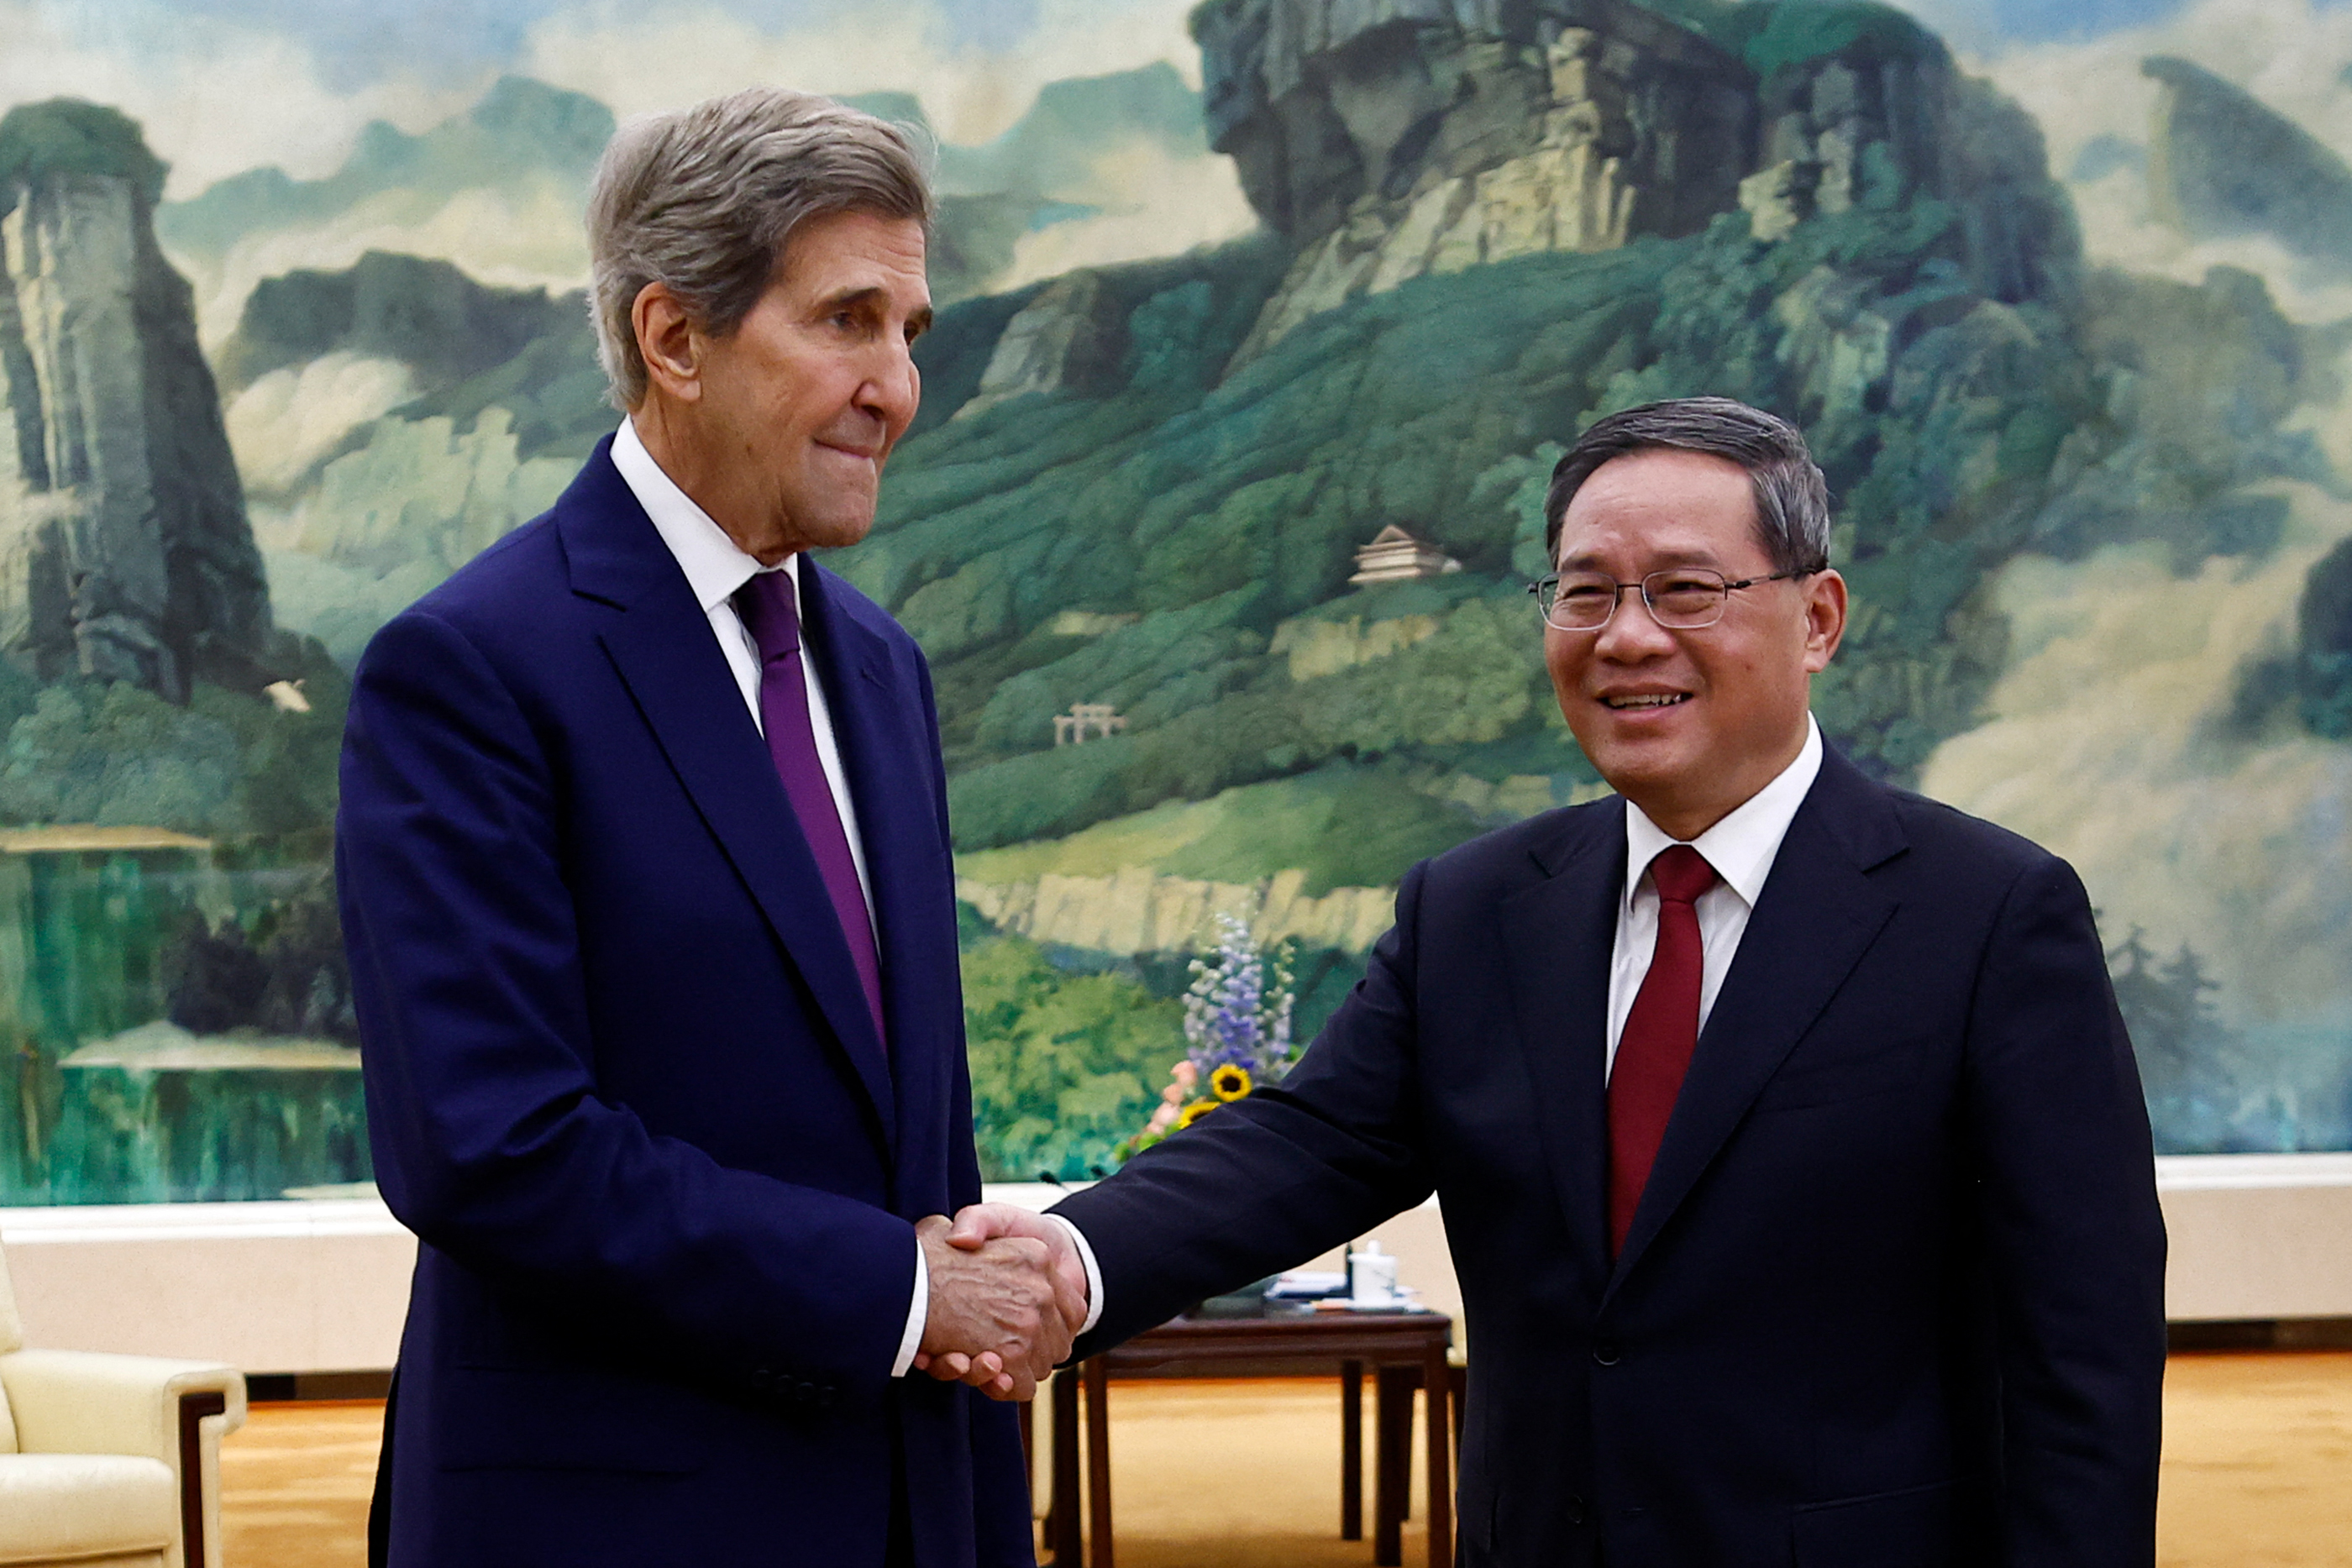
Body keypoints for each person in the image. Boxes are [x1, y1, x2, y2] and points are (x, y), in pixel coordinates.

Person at [947, 398, 2168, 1566]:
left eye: (1686, 589)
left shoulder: (1985, 916)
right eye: (1586, 592)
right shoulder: (1479, 909)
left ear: (1818, 618)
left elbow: (2085, 1348)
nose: (1626, 636)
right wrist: (1070, 1258)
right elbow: (1308, 1145)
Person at [338, 88, 1067, 1568]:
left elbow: (911, 1134)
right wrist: (903, 1294)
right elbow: (491, 1149)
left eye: (909, 331)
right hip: (608, 1524)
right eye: (848, 321)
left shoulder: (883, 668)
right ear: (675, 338)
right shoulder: (469, 669)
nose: (896, 388)